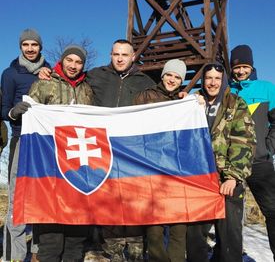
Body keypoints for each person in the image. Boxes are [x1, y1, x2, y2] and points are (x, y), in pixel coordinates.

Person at [39, 39, 156, 261]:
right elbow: (70, 78)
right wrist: (47, 71)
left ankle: (135, 250)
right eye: (116, 54)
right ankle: (108, 249)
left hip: (130, 153)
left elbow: (161, 101)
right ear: (110, 55)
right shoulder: (95, 75)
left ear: (133, 57)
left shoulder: (145, 82)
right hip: (100, 150)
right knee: (105, 199)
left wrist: (184, 99)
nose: (120, 58)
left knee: (132, 201)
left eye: (125, 55)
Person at [23, 45, 93, 262]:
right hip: (50, 166)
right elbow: (30, 116)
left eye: (78, 62)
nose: (73, 65)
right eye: (69, 60)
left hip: (79, 166)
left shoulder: (88, 90)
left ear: (83, 65)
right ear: (62, 60)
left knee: (75, 237)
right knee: (51, 236)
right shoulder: (44, 83)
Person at [186, 62, 256, 262]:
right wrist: (183, 103)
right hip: (198, 180)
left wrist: (233, 177)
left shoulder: (235, 103)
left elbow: (245, 140)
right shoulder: (192, 103)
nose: (212, 83)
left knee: (229, 239)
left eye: (217, 78)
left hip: (227, 180)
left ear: (223, 80)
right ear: (203, 80)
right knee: (195, 238)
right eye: (208, 78)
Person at [1, 28, 50, 262]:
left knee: (42, 197)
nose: (30, 49)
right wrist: (13, 111)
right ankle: (14, 255)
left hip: (45, 144)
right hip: (21, 139)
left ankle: (38, 252)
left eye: (34, 45)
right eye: (26, 45)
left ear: (41, 47)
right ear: (21, 47)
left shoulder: (50, 72)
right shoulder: (10, 74)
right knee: (16, 199)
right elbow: (2, 110)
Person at [134, 59, 187, 262]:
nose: (172, 79)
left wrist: (194, 102)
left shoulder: (184, 102)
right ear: (163, 75)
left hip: (176, 170)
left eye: (177, 77)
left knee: (178, 227)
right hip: (151, 168)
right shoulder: (144, 96)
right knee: (154, 228)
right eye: (169, 75)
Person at [229, 45, 275, 259]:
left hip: (260, 163)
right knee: (231, 216)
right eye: (237, 67)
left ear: (252, 66)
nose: (240, 71)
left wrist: (269, 147)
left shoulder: (267, 89)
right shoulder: (226, 91)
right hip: (233, 166)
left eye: (245, 66)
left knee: (273, 212)